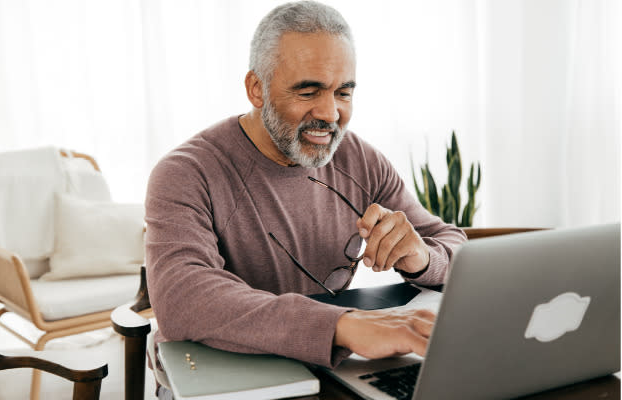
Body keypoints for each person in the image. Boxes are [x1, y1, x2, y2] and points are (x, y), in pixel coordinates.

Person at [145, 1, 466, 394]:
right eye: (308, 90)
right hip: (221, 377)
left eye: (343, 92)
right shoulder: (185, 172)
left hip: (324, 369)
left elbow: (454, 247)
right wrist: (341, 326)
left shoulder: (359, 159)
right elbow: (182, 299)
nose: (330, 113)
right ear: (256, 89)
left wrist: (421, 257)